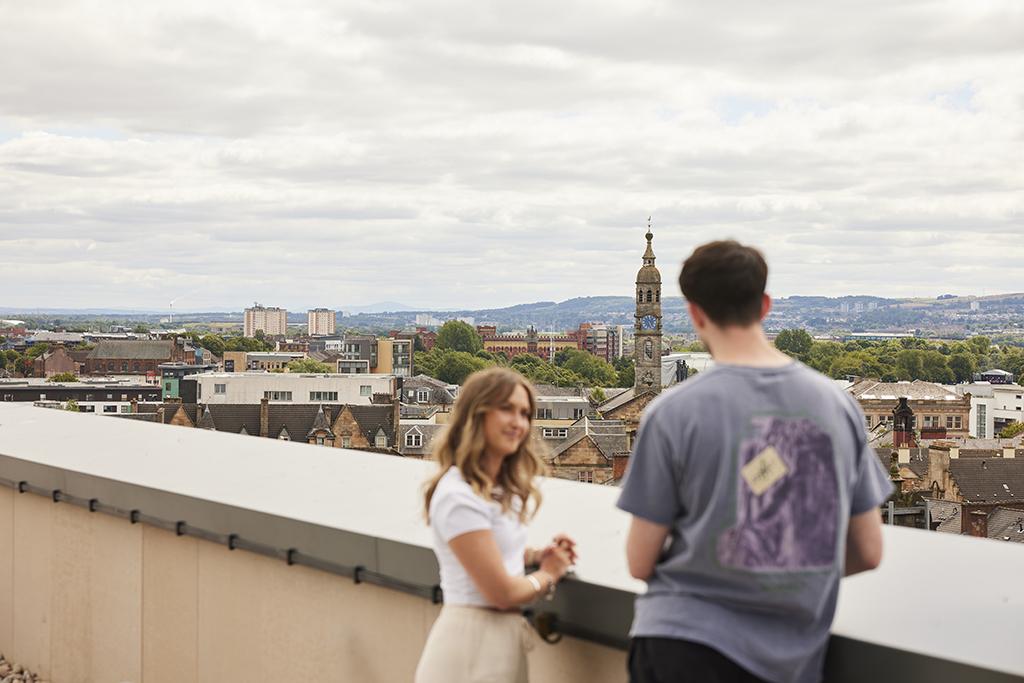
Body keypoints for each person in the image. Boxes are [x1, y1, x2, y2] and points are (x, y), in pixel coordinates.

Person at [617, 240, 893, 683]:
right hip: (790, 657)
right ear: (764, 305)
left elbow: (639, 561)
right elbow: (868, 550)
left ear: (695, 313)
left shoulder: (671, 413)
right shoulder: (837, 407)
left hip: (680, 648)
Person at [415, 367, 577, 683]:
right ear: (477, 414)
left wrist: (533, 555)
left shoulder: (498, 489)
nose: (518, 422)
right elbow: (501, 592)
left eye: (525, 413)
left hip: (501, 643)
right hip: (470, 645)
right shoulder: (458, 495)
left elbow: (491, 549)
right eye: (507, 409)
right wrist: (549, 574)